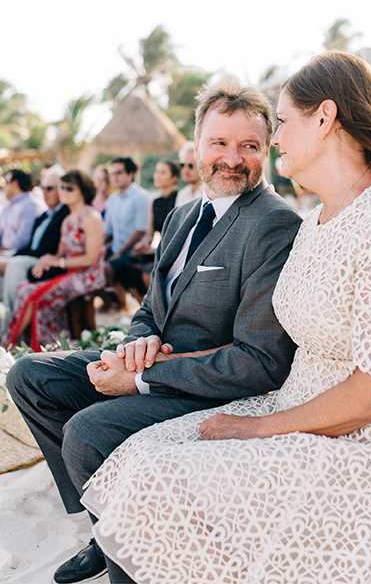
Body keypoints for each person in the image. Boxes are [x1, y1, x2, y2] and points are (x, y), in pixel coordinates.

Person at [80, 52, 371, 583]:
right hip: (297, 406)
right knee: (140, 457)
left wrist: (258, 428)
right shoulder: (315, 222)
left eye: (283, 122)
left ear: (325, 119)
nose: (276, 138)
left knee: (161, 482)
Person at [6, 75, 302, 584]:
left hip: (207, 385)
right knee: (31, 377)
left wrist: (141, 378)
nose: (232, 158)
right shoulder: (185, 214)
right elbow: (150, 307)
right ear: (196, 146)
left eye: (248, 146)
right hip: (152, 360)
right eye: (219, 143)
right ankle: (107, 526)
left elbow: (259, 361)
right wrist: (134, 343)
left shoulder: (275, 224)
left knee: (87, 432)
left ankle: (129, 554)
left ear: (268, 149)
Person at [3, 170, 106, 351]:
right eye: (61, 187)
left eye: (69, 188)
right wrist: (46, 260)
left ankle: (13, 344)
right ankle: (28, 345)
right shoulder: (67, 220)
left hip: (88, 276)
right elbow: (60, 253)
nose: (63, 191)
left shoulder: (92, 217)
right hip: (69, 273)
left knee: (33, 294)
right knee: (24, 288)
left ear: (83, 191)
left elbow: (91, 259)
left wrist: (58, 262)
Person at [109, 160, 180, 300]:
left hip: (172, 251)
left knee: (145, 272)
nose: (157, 176)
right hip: (158, 250)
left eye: (163, 172)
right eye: (156, 171)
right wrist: (143, 244)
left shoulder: (179, 200)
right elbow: (149, 235)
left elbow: (178, 237)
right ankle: (143, 308)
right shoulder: (155, 202)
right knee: (125, 266)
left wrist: (154, 250)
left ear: (174, 178)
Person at [0, 168, 70, 310]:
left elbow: (46, 249)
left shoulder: (65, 215)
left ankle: (13, 317)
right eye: (43, 188)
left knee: (14, 265)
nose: (44, 192)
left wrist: (11, 257)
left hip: (47, 261)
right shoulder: (44, 216)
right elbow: (31, 245)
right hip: (29, 255)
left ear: (61, 190)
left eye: (49, 188)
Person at [101, 157, 151, 261]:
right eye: (112, 173)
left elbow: (140, 230)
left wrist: (119, 254)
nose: (114, 177)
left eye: (119, 173)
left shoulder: (142, 197)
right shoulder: (112, 199)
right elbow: (107, 231)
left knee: (107, 269)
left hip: (133, 254)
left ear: (130, 174)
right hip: (113, 249)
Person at [0, 169, 44, 253]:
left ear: (15, 183)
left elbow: (23, 239)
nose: (4, 186)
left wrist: (3, 250)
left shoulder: (31, 205)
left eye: (6, 182)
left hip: (16, 254)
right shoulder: (8, 206)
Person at [174, 142, 203, 207]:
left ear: (201, 166)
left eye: (190, 166)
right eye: (182, 165)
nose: (185, 170)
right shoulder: (182, 194)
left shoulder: (210, 194)